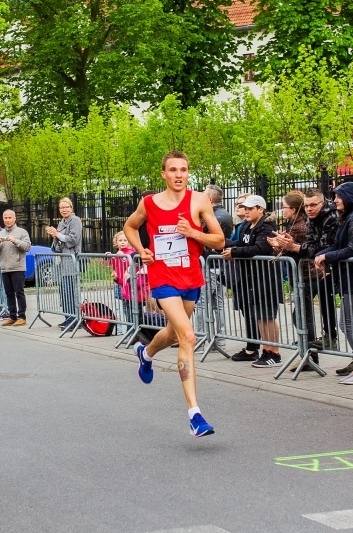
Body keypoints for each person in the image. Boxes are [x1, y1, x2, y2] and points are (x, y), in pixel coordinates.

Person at [122, 150, 224, 437]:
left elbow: (219, 240)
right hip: (163, 276)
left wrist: (193, 233)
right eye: (173, 170)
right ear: (163, 174)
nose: (179, 175)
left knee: (172, 333)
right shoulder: (150, 203)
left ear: (188, 173)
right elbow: (130, 226)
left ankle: (146, 352)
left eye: (184, 169)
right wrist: (142, 250)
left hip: (191, 276)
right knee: (188, 336)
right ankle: (195, 414)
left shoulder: (199, 200)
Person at [315, 182, 353, 385]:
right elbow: (337, 245)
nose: (334, 200)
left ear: (348, 197)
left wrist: (327, 257)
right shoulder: (348, 218)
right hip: (348, 277)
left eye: (338, 196)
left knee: (346, 324)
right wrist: (321, 254)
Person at [222, 194, 283, 368]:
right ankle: (266, 349)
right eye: (245, 208)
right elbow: (241, 244)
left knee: (268, 316)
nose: (246, 211)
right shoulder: (248, 226)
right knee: (259, 317)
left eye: (250, 208)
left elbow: (260, 248)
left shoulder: (267, 227)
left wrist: (235, 253)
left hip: (266, 277)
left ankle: (275, 352)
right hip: (252, 278)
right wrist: (224, 244)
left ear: (260, 209)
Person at [268, 190, 313, 371]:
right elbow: (283, 251)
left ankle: (309, 353)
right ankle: (308, 353)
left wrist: (280, 245)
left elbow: (291, 249)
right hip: (300, 274)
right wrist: (278, 245)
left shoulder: (299, 226)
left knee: (302, 315)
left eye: (284, 207)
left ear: (293, 209)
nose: (282, 210)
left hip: (307, 275)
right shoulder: (293, 223)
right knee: (300, 315)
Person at [194, 184, 234, 351]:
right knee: (217, 304)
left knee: (205, 303)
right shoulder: (219, 214)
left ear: (209, 199)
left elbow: (209, 240)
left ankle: (204, 339)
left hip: (211, 265)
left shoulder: (216, 216)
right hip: (215, 264)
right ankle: (217, 340)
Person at [46, 197, 82, 330]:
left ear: (71, 208)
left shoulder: (75, 220)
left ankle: (74, 318)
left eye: (66, 207)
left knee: (70, 290)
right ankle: (67, 317)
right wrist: (54, 237)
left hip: (71, 260)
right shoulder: (61, 223)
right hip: (62, 261)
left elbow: (73, 240)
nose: (64, 210)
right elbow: (59, 246)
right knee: (64, 291)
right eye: (61, 208)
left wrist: (58, 235)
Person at [0, 209, 32, 326]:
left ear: (15, 219)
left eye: (10, 218)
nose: (7, 220)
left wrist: (15, 241)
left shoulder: (22, 232)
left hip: (17, 267)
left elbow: (27, 247)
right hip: (5, 267)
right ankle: (12, 316)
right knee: (9, 293)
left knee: (19, 292)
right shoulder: (0, 233)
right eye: (5, 218)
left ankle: (22, 316)